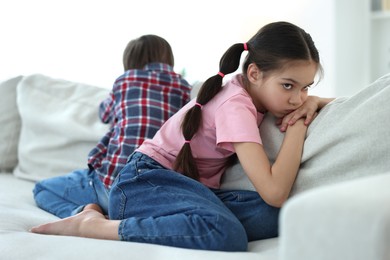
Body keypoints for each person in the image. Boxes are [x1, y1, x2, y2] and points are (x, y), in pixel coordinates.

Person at [31, 22, 334, 252]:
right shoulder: (235, 106)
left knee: (279, 215)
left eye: (305, 87)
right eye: (288, 86)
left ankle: (184, 222)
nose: (297, 99)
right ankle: (94, 226)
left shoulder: (248, 93)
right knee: (226, 233)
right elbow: (274, 190)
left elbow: (275, 202)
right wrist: (298, 126)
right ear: (254, 74)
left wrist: (314, 102)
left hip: (188, 188)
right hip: (145, 181)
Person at [32, 34, 191, 218]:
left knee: (41, 189)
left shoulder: (124, 82)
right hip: (155, 192)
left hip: (112, 187)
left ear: (130, 61)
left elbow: (104, 113)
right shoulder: (184, 89)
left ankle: (84, 213)